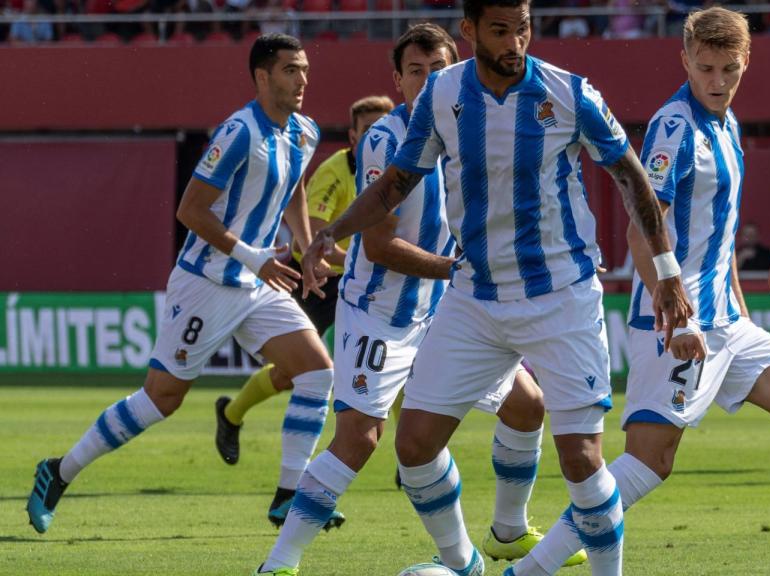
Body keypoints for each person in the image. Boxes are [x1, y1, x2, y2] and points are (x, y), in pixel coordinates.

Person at [508, 9, 770, 576]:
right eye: (706, 67)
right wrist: (675, 314)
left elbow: (720, 228)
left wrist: (736, 299)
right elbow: (644, 227)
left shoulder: (728, 123)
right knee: (648, 463)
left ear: (745, 64)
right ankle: (530, 570)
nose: (716, 80)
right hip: (678, 325)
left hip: (728, 322)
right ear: (685, 59)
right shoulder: (675, 126)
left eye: (729, 69)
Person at [300, 1, 690, 573]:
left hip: (561, 296)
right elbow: (395, 185)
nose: (514, 44)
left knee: (582, 460)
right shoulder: (440, 96)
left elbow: (632, 178)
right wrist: (330, 232)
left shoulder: (570, 93)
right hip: (475, 297)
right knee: (412, 446)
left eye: (523, 30)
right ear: (471, 31)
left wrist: (668, 273)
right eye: (500, 31)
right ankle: (465, 564)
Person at [253, 23, 586, 576]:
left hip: (442, 310)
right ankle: (280, 563)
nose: (428, 81)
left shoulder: (471, 128)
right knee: (360, 439)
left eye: (438, 70)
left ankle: (505, 533)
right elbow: (381, 246)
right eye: (415, 72)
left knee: (526, 405)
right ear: (399, 80)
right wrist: (455, 268)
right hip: (381, 312)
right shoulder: (387, 139)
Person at [26, 34, 339, 536]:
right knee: (160, 400)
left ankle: (288, 495)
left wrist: (306, 247)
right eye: (290, 70)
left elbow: (296, 188)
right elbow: (189, 210)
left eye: (304, 69)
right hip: (206, 283)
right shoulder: (238, 133)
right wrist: (252, 255)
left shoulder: (303, 132)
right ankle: (58, 472)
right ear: (262, 77)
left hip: (256, 283)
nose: (303, 79)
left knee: (318, 372)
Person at [212, 95, 393, 529]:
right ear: (352, 137)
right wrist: (366, 262)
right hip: (321, 282)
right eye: (367, 132)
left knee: (394, 364)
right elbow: (304, 247)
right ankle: (232, 413)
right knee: (299, 373)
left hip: (371, 284)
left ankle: (409, 461)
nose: (377, 138)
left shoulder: (401, 170)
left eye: (382, 130)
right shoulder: (333, 174)